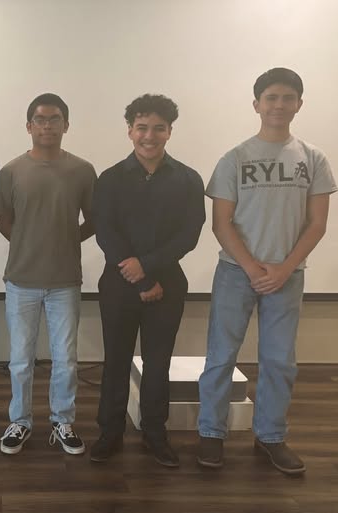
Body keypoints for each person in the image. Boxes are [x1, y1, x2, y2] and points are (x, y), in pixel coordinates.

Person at [197, 68, 337, 475]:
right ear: (256, 104)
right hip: (236, 272)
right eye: (271, 97)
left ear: (299, 104)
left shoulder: (313, 158)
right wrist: (252, 267)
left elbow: (317, 224)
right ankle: (211, 431)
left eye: (288, 97)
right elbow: (221, 223)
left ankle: (271, 435)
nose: (279, 105)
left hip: (287, 275)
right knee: (221, 356)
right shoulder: (235, 158)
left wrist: (284, 268)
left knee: (279, 360)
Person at [90, 94, 205, 468]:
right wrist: (138, 277)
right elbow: (106, 232)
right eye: (142, 127)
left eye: (158, 128)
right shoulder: (110, 179)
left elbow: (189, 234)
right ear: (130, 131)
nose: (149, 136)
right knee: (116, 361)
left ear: (170, 131)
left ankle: (155, 433)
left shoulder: (188, 179)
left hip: (167, 285)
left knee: (158, 364)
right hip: (119, 285)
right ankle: (109, 433)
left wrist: (148, 267)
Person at [0, 93, 96, 456]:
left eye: (54, 119)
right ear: (29, 126)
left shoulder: (82, 170)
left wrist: (65, 240)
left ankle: (62, 421)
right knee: (21, 359)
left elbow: (94, 220)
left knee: (65, 359)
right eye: (40, 119)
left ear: (66, 125)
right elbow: (4, 221)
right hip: (21, 280)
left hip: (64, 281)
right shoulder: (11, 171)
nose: (47, 125)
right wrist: (30, 243)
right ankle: (19, 421)